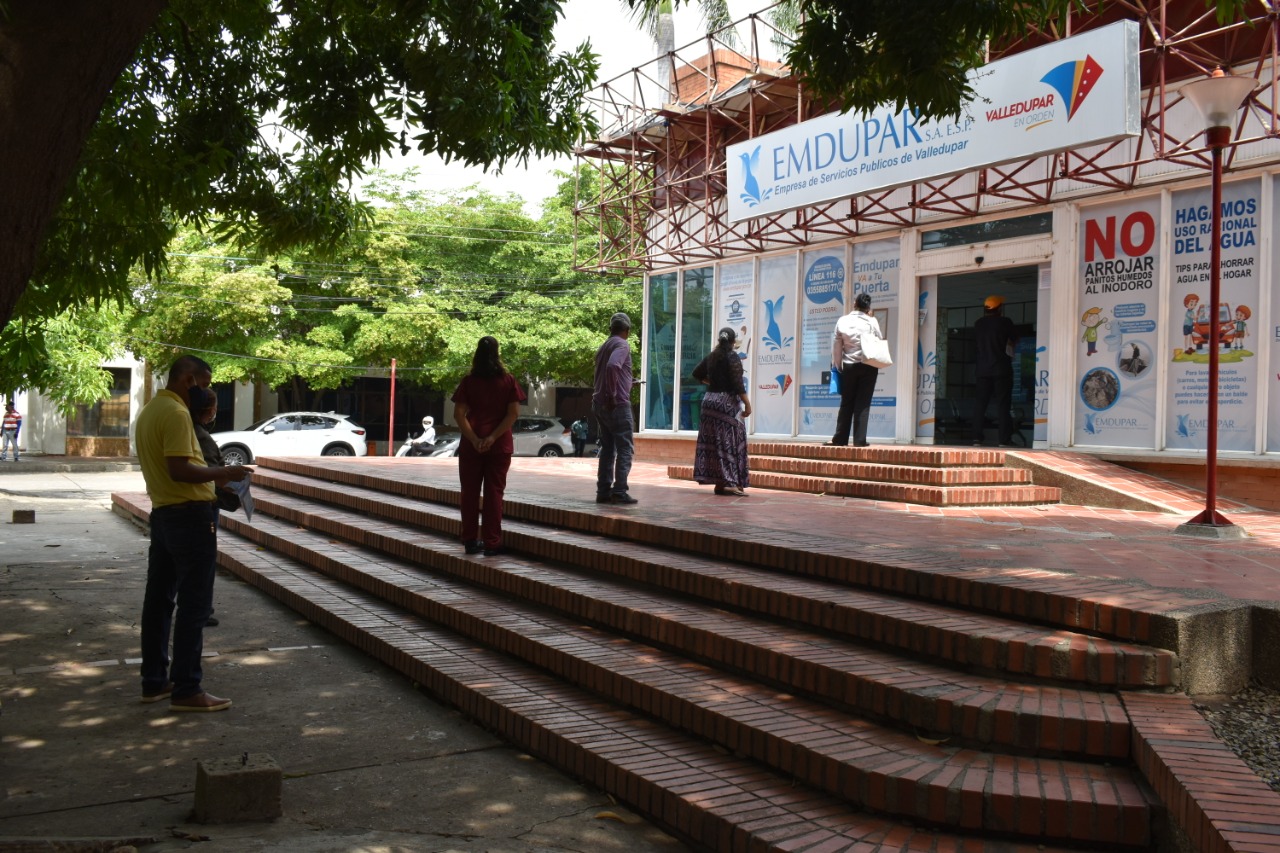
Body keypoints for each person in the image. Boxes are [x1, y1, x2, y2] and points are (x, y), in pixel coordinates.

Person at [137, 355, 249, 712]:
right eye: (204, 385)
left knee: (159, 601)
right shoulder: (176, 413)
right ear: (188, 380)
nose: (206, 393)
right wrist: (225, 474)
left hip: (165, 514)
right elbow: (180, 469)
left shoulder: (151, 410)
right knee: (195, 605)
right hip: (189, 518)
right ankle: (187, 688)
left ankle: (155, 680)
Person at [451, 336, 526, 556]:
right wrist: (492, 438)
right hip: (499, 446)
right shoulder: (508, 381)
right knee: (494, 494)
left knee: (469, 493)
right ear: (497, 353)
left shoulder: (468, 382)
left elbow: (459, 414)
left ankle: (470, 541)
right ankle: (492, 543)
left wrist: (475, 439)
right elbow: (513, 414)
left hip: (471, 447)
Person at [186, 386, 233, 628]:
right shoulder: (200, 435)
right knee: (203, 561)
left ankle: (200, 608)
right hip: (203, 504)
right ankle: (200, 610)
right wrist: (229, 477)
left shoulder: (191, 430)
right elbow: (212, 471)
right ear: (209, 409)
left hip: (196, 504)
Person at [692, 327, 752, 495]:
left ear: (719, 341)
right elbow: (738, 384)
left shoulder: (712, 357)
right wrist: (747, 404)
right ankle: (730, 482)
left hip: (709, 402)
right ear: (733, 342)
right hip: (726, 404)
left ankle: (719, 483)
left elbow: (696, 373)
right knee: (729, 443)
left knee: (714, 443)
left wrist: (711, 383)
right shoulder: (732, 356)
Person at [593, 312, 639, 504]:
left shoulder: (604, 346)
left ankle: (603, 491)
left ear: (610, 329)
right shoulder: (622, 344)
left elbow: (609, 371)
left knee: (607, 448)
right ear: (627, 330)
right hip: (616, 404)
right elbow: (613, 366)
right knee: (625, 448)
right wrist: (612, 394)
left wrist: (627, 382)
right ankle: (619, 491)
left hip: (599, 403)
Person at [828, 292, 883, 448]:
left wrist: (837, 365)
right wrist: (870, 318)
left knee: (846, 402)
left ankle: (840, 439)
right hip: (868, 365)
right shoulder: (872, 321)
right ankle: (859, 441)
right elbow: (879, 338)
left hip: (849, 366)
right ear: (868, 308)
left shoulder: (843, 321)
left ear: (854, 304)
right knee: (863, 403)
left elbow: (837, 346)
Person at [972, 294, 1019, 447]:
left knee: (980, 404)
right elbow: (1015, 339)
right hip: (1001, 369)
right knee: (1003, 404)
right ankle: (1004, 440)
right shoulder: (1005, 322)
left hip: (982, 370)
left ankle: (976, 438)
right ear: (999, 308)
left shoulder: (978, 324)